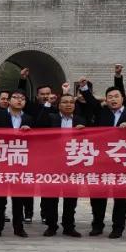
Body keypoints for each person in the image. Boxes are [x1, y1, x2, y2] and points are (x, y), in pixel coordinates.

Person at [83, 85, 126, 238]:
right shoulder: (101, 113)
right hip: (102, 161)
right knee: (98, 195)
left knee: (120, 197)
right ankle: (97, 225)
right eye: (110, 97)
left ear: (122, 99)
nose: (113, 99)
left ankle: (118, 227)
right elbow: (91, 103)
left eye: (116, 96)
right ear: (106, 100)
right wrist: (84, 88)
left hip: (122, 162)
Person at [0, 88, 34, 236]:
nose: (19, 100)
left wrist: (30, 131)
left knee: (19, 198)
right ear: (9, 100)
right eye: (15, 97)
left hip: (19, 162)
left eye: (22, 98)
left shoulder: (29, 119)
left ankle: (19, 227)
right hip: (0, 161)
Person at [36, 86, 85, 238]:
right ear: (59, 105)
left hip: (73, 163)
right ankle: (51, 226)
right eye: (65, 102)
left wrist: (83, 131)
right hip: (52, 163)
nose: (69, 104)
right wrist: (47, 105)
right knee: (51, 197)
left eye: (71, 102)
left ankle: (69, 226)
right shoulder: (51, 117)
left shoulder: (81, 121)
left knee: (71, 198)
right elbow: (39, 125)